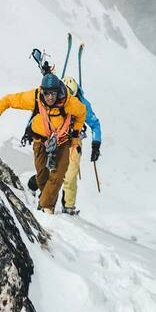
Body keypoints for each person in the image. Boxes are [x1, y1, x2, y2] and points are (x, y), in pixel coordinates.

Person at [0, 71, 86, 214]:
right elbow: (9, 100)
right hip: (40, 140)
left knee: (58, 175)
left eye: (53, 94)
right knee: (42, 174)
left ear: (58, 92)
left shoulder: (68, 102)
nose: (50, 98)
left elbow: (82, 112)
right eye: (47, 94)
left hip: (62, 141)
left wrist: (75, 135)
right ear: (42, 91)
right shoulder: (34, 97)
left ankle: (46, 208)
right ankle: (45, 201)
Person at [60, 76, 102, 216]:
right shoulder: (56, 96)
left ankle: (68, 205)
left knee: (71, 174)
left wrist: (96, 145)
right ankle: (35, 186)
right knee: (51, 171)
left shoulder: (83, 104)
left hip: (74, 141)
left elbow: (95, 124)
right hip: (57, 138)